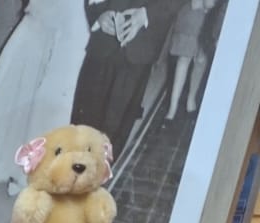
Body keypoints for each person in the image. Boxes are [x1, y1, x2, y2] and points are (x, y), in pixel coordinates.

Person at [0, 0, 90, 193]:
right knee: (20, 88)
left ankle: (34, 171)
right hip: (40, 18)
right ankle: (16, 163)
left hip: (69, 25)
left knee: (50, 102)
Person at [71, 0, 183, 161]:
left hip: (140, 49)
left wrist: (147, 14)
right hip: (102, 43)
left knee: (113, 134)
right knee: (81, 126)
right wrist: (98, 14)